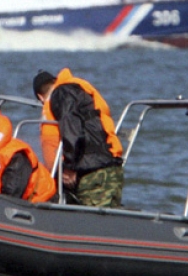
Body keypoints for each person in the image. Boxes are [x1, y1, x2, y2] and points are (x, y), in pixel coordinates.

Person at [33, 68, 125, 208]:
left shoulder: (61, 94)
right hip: (109, 168)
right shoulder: (78, 90)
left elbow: (71, 129)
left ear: (40, 97)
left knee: (94, 222)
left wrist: (68, 167)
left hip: (94, 174)